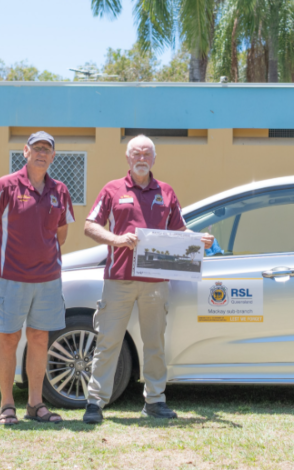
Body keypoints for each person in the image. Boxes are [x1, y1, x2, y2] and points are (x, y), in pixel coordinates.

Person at [82, 135, 214, 424]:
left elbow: (180, 232)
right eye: (136, 154)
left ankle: (154, 401)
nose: (141, 158)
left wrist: (198, 240)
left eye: (146, 154)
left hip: (156, 283)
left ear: (154, 159)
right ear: (128, 159)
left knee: (154, 343)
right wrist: (116, 239)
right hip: (119, 279)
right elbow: (90, 225)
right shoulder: (112, 190)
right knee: (108, 342)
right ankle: (95, 402)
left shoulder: (166, 192)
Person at [0, 131, 75, 425]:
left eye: (47, 149)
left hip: (47, 281)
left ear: (53, 156)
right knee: (8, 339)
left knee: (39, 338)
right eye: (37, 148)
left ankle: (35, 404)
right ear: (25, 152)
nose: (42, 153)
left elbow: (61, 235)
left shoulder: (60, 191)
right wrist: (7, 263)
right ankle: (7, 406)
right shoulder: (5, 186)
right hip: (9, 279)